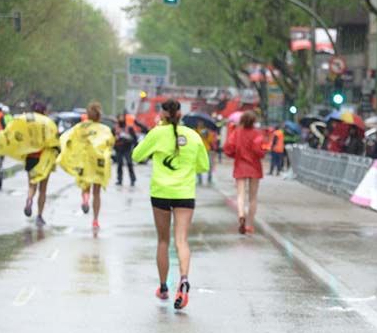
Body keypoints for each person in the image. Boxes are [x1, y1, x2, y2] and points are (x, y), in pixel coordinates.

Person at [132, 98, 209, 310]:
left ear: (163, 115)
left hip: (161, 193)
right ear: (180, 114)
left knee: (163, 241)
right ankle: (183, 280)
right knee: (181, 240)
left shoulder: (157, 134)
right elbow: (203, 166)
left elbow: (137, 155)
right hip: (185, 193)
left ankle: (164, 287)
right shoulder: (193, 136)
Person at [59, 101, 114, 229]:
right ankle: (95, 220)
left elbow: (69, 138)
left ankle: (85, 200)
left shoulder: (81, 127)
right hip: (98, 163)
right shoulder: (105, 130)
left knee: (85, 186)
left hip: (84, 162)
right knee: (97, 192)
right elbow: (110, 144)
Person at [223, 110, 267, 235]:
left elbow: (228, 148)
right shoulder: (257, 135)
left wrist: (234, 155)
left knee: (240, 195)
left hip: (240, 166)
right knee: (253, 197)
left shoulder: (236, 133)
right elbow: (260, 152)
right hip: (254, 167)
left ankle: (241, 215)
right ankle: (250, 224)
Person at [23, 102, 57, 227]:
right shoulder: (48, 124)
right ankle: (39, 215)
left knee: (32, 185)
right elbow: (53, 141)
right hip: (44, 160)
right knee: (43, 189)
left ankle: (29, 200)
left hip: (31, 158)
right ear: (44, 112)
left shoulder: (27, 124)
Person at [114, 114, 137, 186]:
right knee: (119, 164)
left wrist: (128, 140)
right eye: (119, 118)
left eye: (122, 118)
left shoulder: (129, 128)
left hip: (127, 148)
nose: (120, 119)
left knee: (129, 163)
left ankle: (132, 179)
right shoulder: (115, 128)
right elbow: (112, 138)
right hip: (119, 149)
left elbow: (134, 139)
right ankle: (119, 180)